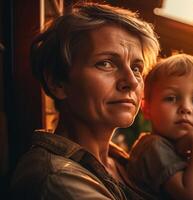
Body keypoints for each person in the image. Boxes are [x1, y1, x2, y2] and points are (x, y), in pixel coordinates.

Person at [10, 2, 160, 199]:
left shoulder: (121, 161)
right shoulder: (58, 179)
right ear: (58, 82)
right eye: (106, 63)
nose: (131, 81)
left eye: (136, 68)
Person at [127, 54, 193, 200]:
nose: (186, 108)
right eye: (171, 98)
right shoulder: (153, 147)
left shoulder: (171, 147)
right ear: (147, 108)